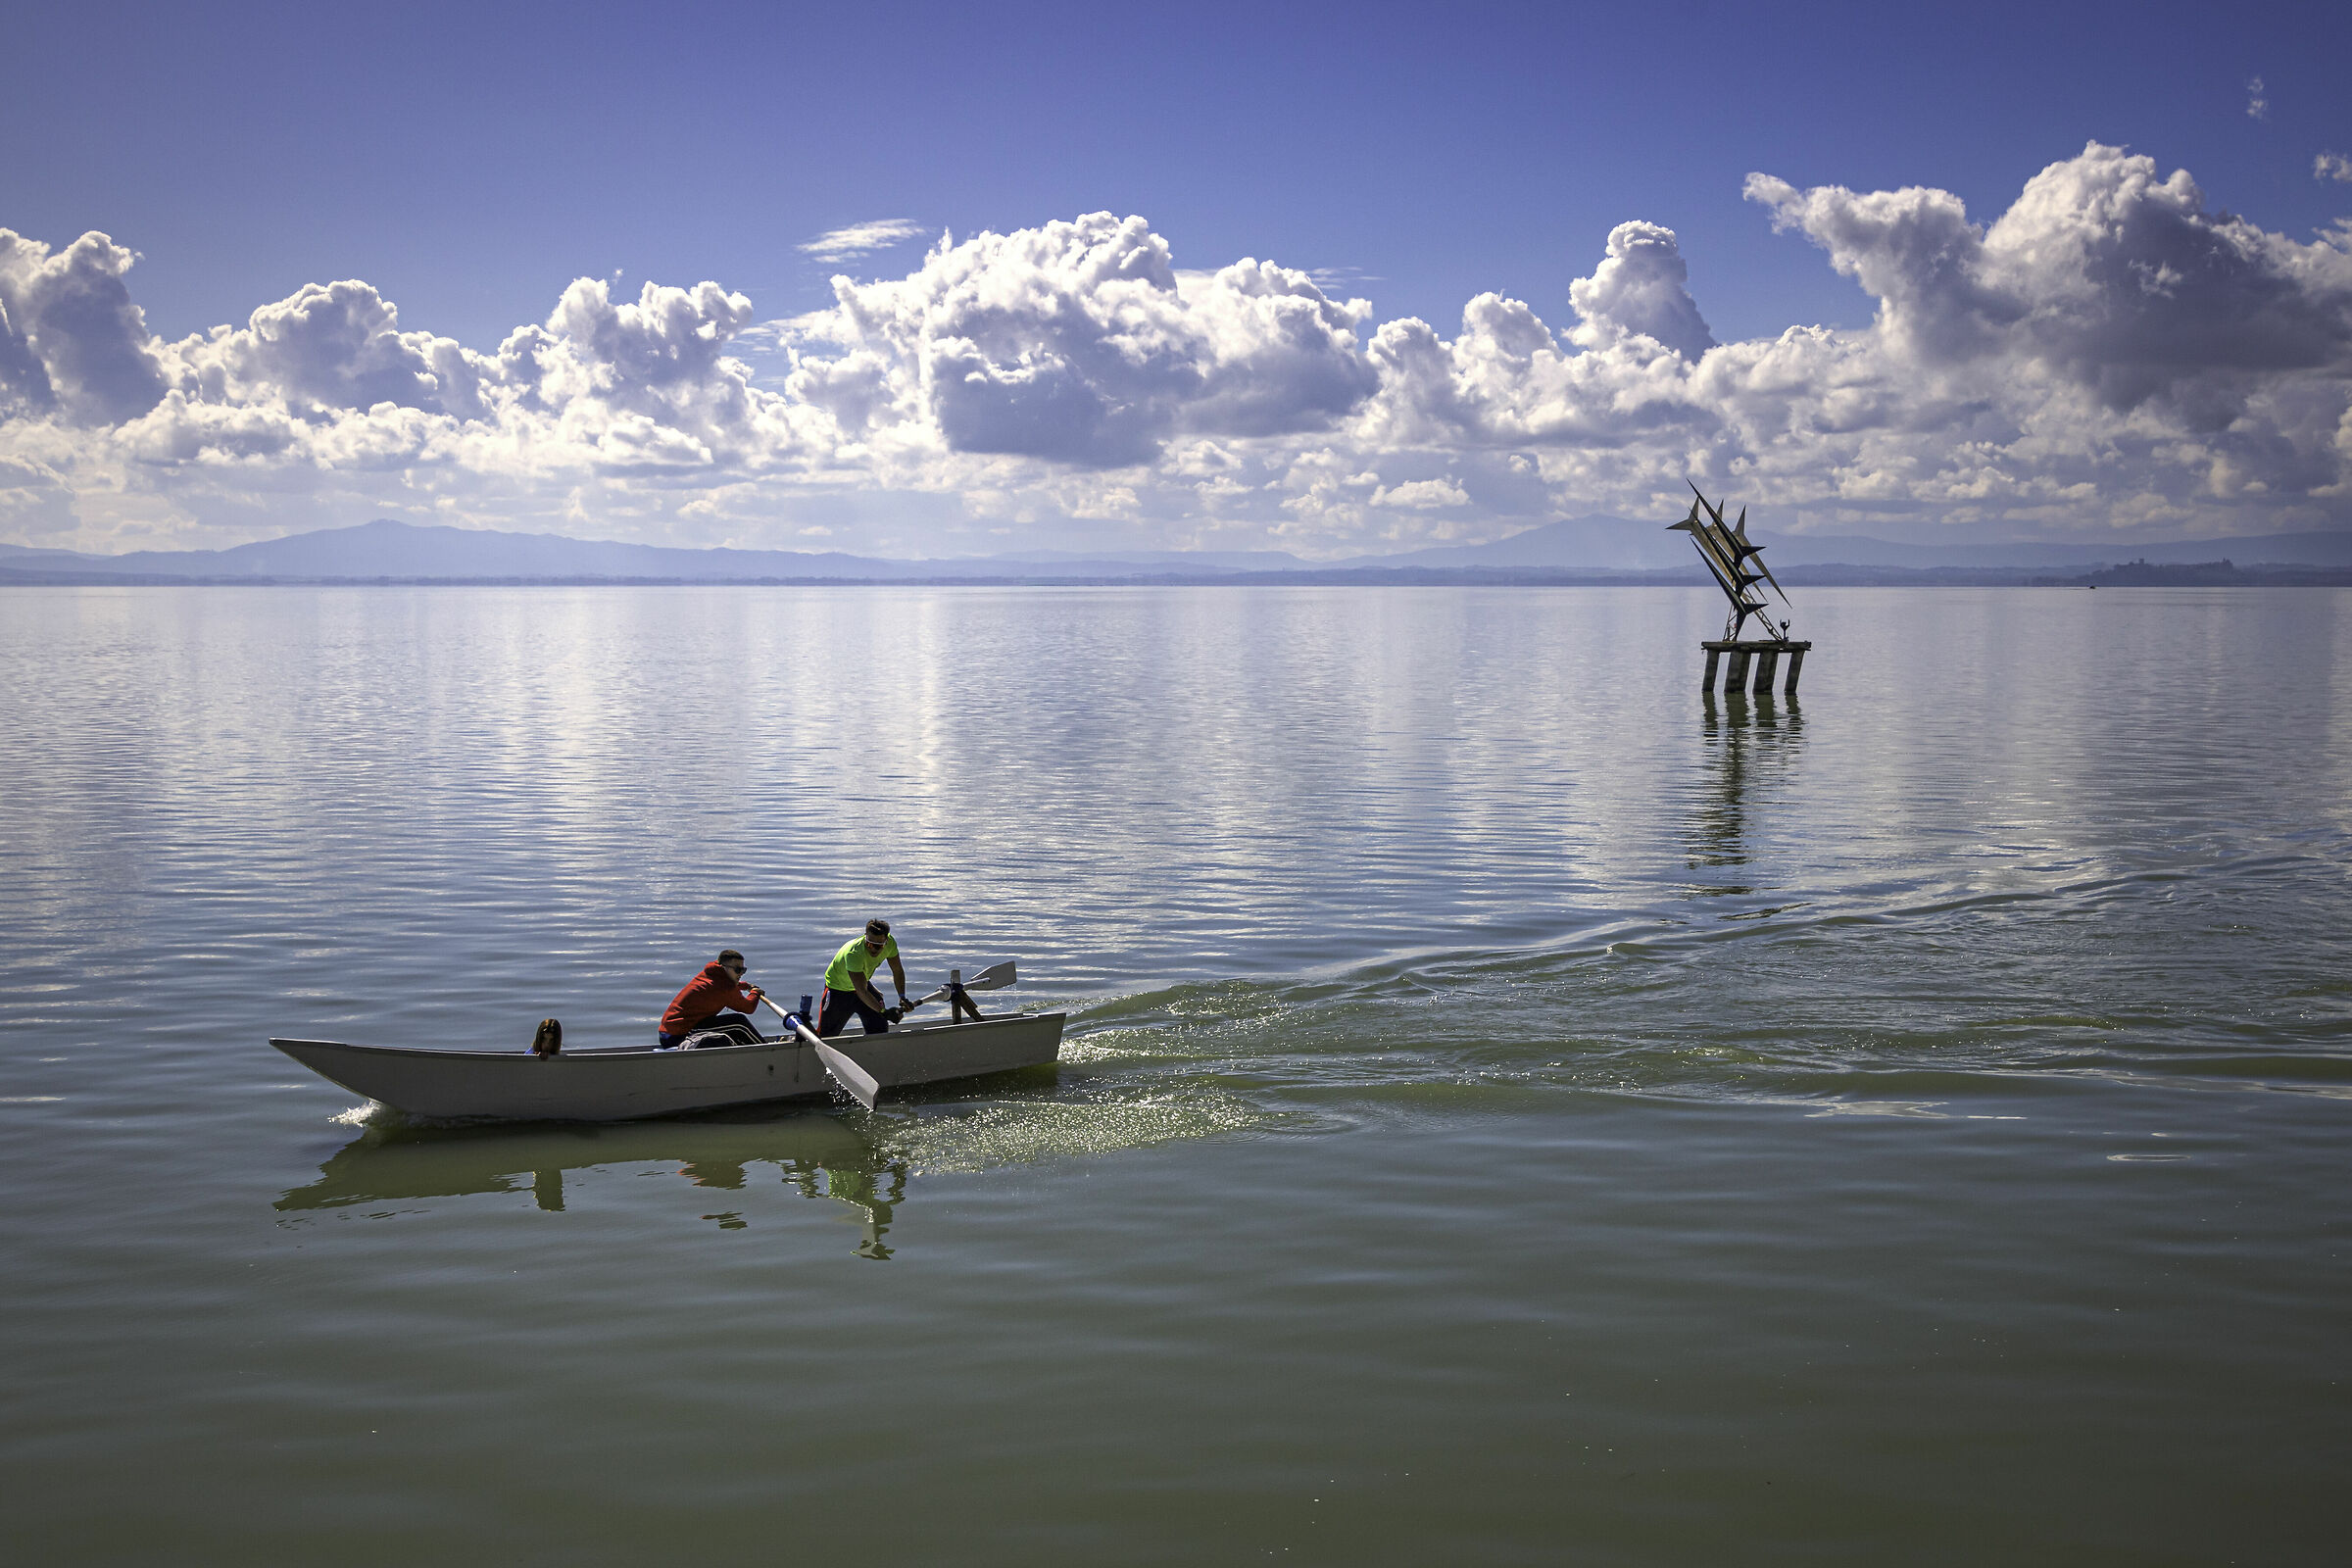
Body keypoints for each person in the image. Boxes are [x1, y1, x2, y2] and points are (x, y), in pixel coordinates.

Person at [817, 918, 908, 1038]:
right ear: (865, 936)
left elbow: (897, 971)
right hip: (838, 990)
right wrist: (884, 1012)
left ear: (886, 941)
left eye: (878, 946)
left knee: (879, 1027)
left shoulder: (890, 943)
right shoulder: (854, 953)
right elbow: (861, 991)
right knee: (826, 1037)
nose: (873, 949)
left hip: (861, 984)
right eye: (869, 944)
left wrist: (902, 997)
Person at [659, 949, 765, 1049]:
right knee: (738, 1023)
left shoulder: (711, 974)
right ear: (723, 967)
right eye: (738, 970)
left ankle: (750, 1048)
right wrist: (755, 993)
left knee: (730, 1025)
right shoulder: (724, 987)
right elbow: (748, 1007)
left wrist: (746, 986)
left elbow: (726, 985)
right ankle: (765, 1050)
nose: (741, 973)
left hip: (667, 1033)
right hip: (677, 1036)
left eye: (743, 970)